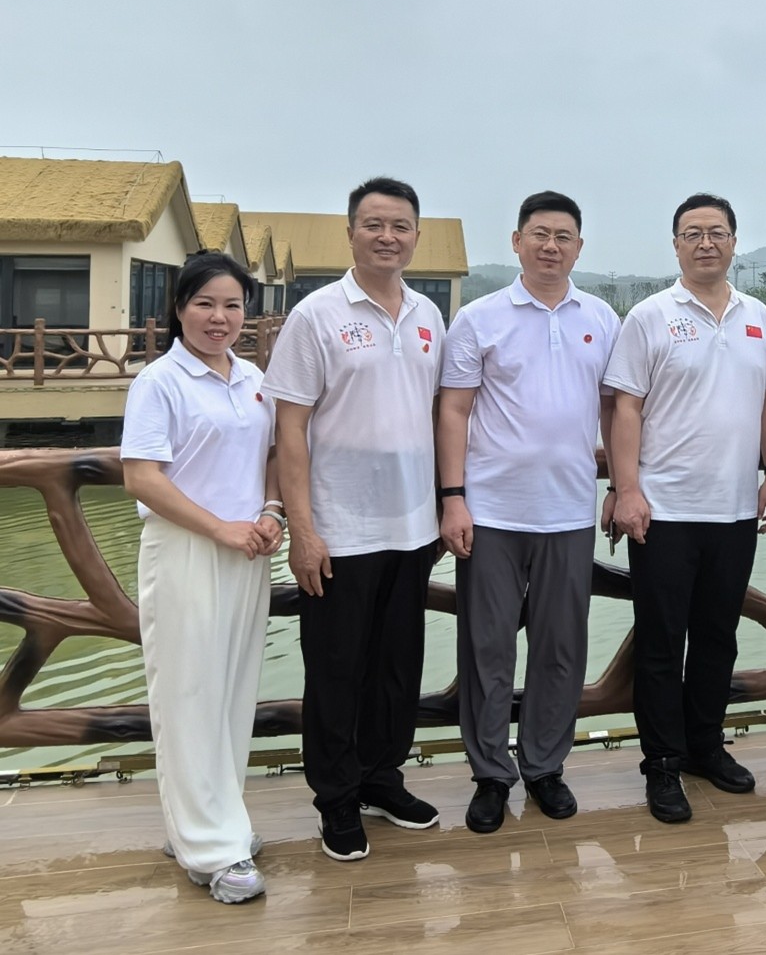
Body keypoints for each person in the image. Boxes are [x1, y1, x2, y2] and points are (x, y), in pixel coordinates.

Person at [261, 176, 446, 861]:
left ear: (415, 236)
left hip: (413, 527)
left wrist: (443, 504)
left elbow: (436, 413)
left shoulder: (428, 315)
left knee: (396, 668)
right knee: (336, 670)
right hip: (339, 529)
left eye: (399, 226)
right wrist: (303, 530)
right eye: (374, 224)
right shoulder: (317, 315)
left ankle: (380, 778)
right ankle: (336, 798)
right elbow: (289, 428)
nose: (387, 237)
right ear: (351, 234)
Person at [438, 191, 620, 833]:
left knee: (560, 647)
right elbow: (454, 410)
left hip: (568, 509)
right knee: (487, 647)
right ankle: (491, 773)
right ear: (517, 242)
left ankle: (545, 765)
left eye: (564, 236)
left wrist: (622, 486)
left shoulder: (601, 317)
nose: (551, 246)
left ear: (579, 247)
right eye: (539, 234)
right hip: (491, 511)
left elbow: (614, 410)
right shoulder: (480, 318)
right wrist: (453, 497)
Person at [604, 192, 766, 823]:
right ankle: (661, 762)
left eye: (717, 232)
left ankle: (706, 745)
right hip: (663, 510)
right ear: (676, 244)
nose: (706, 243)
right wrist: (627, 489)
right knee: (660, 642)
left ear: (734, 241)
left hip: (734, 509)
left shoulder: (759, 318)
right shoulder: (650, 316)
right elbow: (625, 407)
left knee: (717, 636)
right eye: (693, 233)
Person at [121, 251, 282, 904]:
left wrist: (270, 512)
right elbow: (142, 477)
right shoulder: (159, 381)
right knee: (188, 694)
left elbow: (271, 453)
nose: (220, 317)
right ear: (180, 309)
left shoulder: (253, 377)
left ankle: (213, 821)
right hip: (187, 548)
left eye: (232, 305)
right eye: (205, 304)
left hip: (247, 549)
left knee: (231, 691)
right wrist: (219, 528)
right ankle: (212, 848)